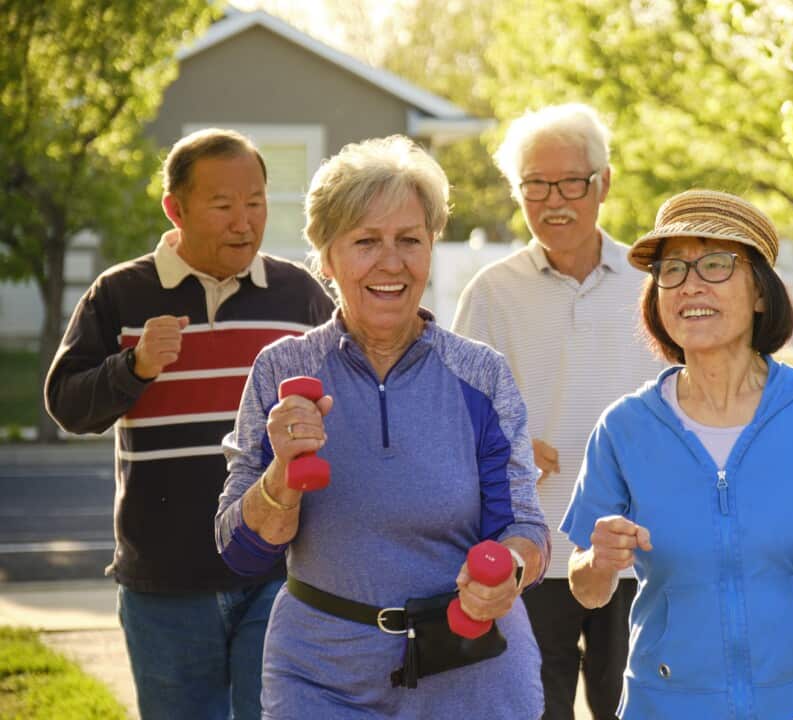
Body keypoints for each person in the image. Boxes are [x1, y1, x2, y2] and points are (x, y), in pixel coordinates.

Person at [213, 135, 550, 719]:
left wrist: (509, 572)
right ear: (326, 258)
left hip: (470, 668)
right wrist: (280, 477)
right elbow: (239, 551)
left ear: (431, 248)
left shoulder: (480, 374)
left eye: (409, 241)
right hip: (320, 675)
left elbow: (522, 523)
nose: (390, 262)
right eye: (365, 241)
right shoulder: (283, 370)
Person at [561, 190, 793, 720]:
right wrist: (598, 561)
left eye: (716, 265)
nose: (690, 284)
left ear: (761, 293)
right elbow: (585, 587)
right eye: (672, 269)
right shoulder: (624, 427)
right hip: (670, 703)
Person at [44, 128, 334, 719]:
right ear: (175, 208)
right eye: (223, 205)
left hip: (276, 572)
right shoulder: (119, 295)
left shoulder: (297, 294)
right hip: (165, 581)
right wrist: (134, 366)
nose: (244, 221)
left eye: (255, 202)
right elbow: (68, 406)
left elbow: (355, 384)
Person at [453, 103, 662, 719]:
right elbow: (454, 417)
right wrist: (506, 446)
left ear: (604, 183)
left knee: (632, 708)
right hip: (530, 547)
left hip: (637, 549)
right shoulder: (491, 291)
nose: (554, 200)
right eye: (535, 185)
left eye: (571, 182)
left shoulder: (653, 282)